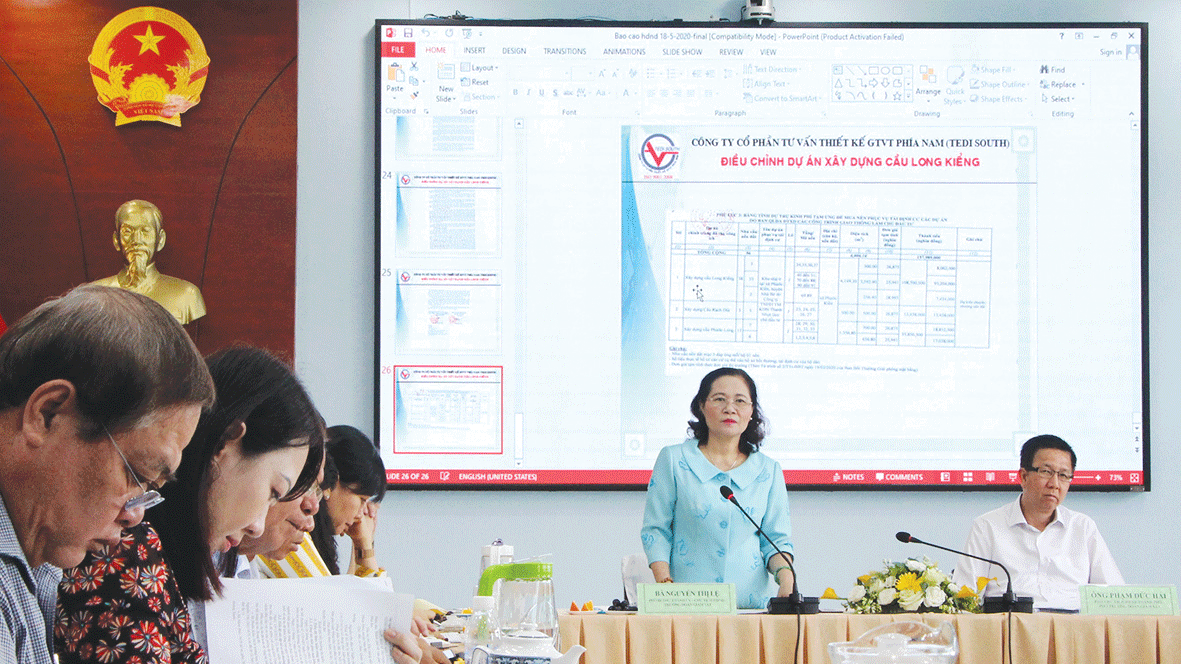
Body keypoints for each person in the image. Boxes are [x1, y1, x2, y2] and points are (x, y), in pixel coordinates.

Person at [54, 347, 331, 664]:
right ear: (226, 442)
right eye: (273, 491)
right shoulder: (126, 552)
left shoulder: (164, 559)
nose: (258, 525)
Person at [0, 285, 214, 664]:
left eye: (150, 489)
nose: (135, 515)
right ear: (48, 414)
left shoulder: (39, 564)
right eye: (137, 474)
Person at [641, 367, 795, 609]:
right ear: (701, 406)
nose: (730, 408)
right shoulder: (674, 460)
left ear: (752, 411)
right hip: (687, 606)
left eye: (740, 401)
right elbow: (656, 529)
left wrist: (787, 580)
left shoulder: (768, 470)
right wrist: (664, 586)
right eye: (719, 399)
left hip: (750, 609)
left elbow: (776, 540)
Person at [952, 434, 1124, 611]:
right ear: (1023, 477)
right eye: (1046, 472)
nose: (1054, 484)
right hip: (1010, 623)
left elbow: (1114, 597)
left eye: (1063, 475)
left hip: (1073, 624)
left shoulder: (1083, 527)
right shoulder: (987, 526)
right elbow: (964, 598)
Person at [92, 199, 207, 324]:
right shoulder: (93, 295)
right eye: (128, 231)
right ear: (116, 240)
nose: (137, 240)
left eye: (145, 231)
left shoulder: (187, 295)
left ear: (160, 240)